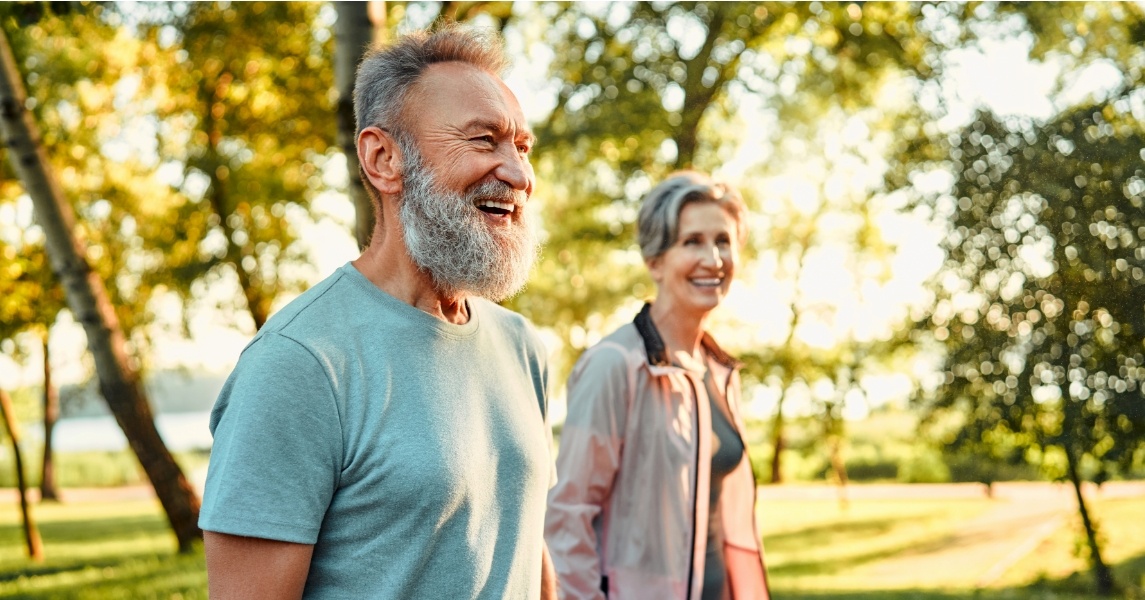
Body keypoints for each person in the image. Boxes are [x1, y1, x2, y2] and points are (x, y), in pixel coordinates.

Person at [199, 25, 557, 599]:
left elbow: (525, 549)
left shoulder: (523, 347)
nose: (519, 174)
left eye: (522, 147)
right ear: (384, 158)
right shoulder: (299, 364)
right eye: (484, 140)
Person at [545, 172, 770, 600]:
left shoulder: (720, 370)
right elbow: (568, 516)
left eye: (723, 241)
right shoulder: (615, 365)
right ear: (655, 261)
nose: (713, 258)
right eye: (692, 242)